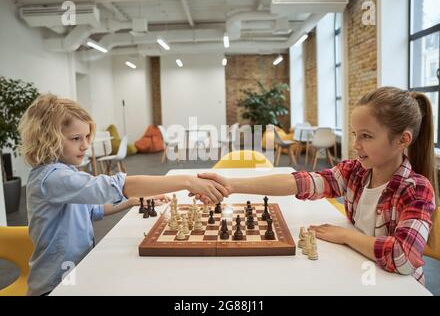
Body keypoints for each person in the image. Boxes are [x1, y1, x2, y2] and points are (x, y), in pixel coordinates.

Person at [196, 87, 438, 284]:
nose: (356, 145)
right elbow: (299, 182)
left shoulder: (416, 189)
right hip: (360, 272)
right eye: (354, 134)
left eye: (366, 136)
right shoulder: (355, 172)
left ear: (402, 140)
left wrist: (345, 236)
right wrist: (233, 185)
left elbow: (403, 257)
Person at [19, 94, 229, 295]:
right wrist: (186, 181)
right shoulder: (51, 179)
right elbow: (110, 186)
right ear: (48, 139)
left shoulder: (67, 172)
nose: (85, 145)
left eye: (86, 137)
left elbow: (93, 210)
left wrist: (131, 201)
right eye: (75, 138)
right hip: (55, 285)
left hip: (78, 269)